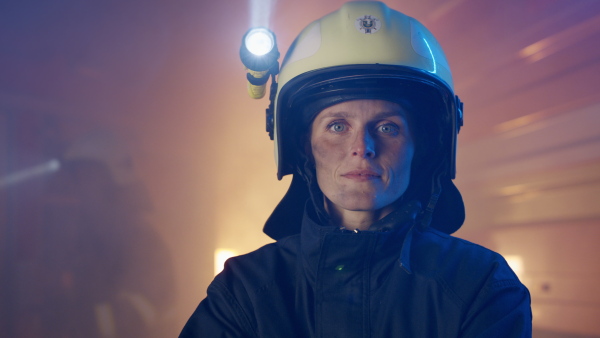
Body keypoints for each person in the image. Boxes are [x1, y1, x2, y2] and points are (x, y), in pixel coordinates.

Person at [180, 1, 532, 337]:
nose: (362, 147)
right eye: (337, 126)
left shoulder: (482, 286)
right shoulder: (242, 291)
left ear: (421, 148)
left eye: (387, 127)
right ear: (304, 146)